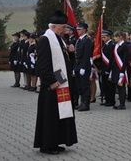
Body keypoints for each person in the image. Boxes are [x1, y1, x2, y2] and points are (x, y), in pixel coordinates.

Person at [34, 11, 77, 154]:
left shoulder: (59, 39)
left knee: (59, 114)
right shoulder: (46, 40)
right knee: (50, 116)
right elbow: (42, 64)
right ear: (53, 27)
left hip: (60, 82)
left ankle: (56, 141)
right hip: (51, 87)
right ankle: (47, 145)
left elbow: (62, 62)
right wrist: (52, 81)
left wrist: (70, 53)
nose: (65, 30)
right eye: (63, 27)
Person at [74, 23, 93, 111]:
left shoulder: (87, 40)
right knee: (79, 85)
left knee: (85, 85)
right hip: (78, 65)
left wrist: (84, 67)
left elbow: (87, 55)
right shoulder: (79, 40)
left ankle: (86, 104)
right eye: (77, 29)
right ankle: (82, 103)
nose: (78, 31)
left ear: (84, 30)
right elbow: (76, 54)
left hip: (83, 65)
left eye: (79, 29)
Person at [107, 30, 129, 110]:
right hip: (115, 68)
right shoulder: (116, 45)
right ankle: (120, 103)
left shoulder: (124, 45)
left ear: (120, 37)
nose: (114, 38)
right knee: (117, 86)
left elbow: (125, 59)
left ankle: (122, 104)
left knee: (121, 86)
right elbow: (113, 58)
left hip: (121, 68)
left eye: (115, 36)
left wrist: (122, 71)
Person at [100, 30, 115, 106]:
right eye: (102, 37)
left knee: (110, 86)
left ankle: (111, 100)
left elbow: (111, 58)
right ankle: (107, 99)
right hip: (104, 68)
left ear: (109, 37)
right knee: (105, 85)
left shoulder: (112, 45)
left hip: (109, 68)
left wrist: (108, 69)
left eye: (104, 37)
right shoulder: (105, 45)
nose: (103, 39)